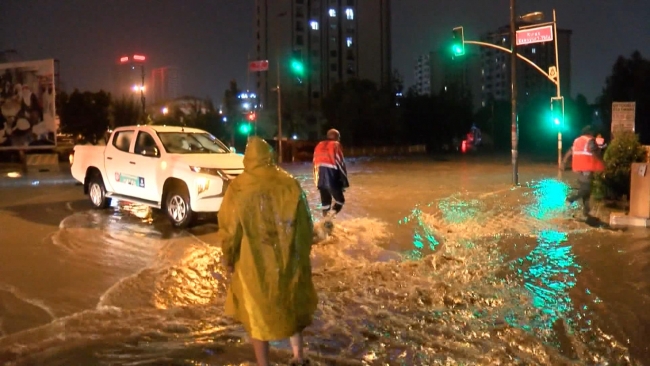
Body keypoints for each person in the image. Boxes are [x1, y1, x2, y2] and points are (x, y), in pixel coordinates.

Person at [216, 137, 317, 366]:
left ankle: (264, 364)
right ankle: (299, 357)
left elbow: (229, 229)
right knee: (290, 304)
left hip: (253, 263)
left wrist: (229, 257)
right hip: (288, 258)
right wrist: (302, 253)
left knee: (257, 314)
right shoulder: (290, 183)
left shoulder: (239, 187)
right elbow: (305, 224)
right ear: (270, 156)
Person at [562, 125, 605, 217]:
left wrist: (564, 162)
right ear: (590, 133)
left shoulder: (577, 140)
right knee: (586, 189)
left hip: (579, 167)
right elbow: (594, 151)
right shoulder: (590, 140)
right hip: (587, 167)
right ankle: (571, 199)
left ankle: (586, 210)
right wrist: (602, 161)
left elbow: (570, 151)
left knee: (585, 189)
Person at [313, 129, 349, 217]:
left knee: (325, 205)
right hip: (332, 177)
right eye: (339, 137)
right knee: (340, 201)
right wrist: (344, 181)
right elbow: (340, 163)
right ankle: (329, 219)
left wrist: (317, 182)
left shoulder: (319, 145)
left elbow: (314, 163)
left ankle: (324, 226)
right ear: (336, 137)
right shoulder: (336, 145)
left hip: (320, 179)